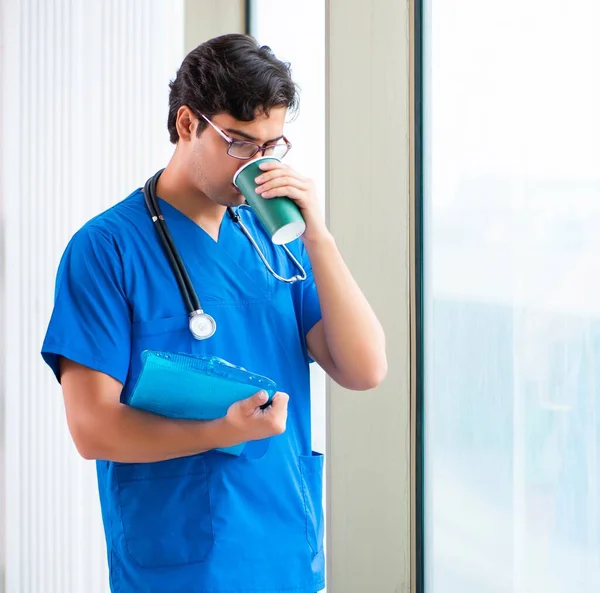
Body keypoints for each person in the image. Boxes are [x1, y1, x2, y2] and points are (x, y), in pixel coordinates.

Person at [41, 33, 387, 593]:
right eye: (240, 143)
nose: (258, 162)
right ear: (186, 124)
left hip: (284, 550)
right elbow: (93, 429)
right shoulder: (106, 249)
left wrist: (317, 234)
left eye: (272, 146)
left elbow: (364, 369)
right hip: (180, 563)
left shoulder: (278, 239)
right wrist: (220, 430)